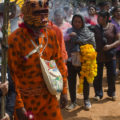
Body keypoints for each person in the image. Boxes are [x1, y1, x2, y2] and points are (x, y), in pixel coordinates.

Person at [8, 0, 68, 120]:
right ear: (27, 13)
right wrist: (18, 105)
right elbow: (12, 76)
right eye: (38, 13)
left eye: (45, 12)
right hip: (26, 102)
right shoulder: (14, 40)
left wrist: (64, 91)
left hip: (48, 98)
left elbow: (59, 63)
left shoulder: (50, 35)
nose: (43, 17)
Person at [64, 14, 95, 110]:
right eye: (75, 21)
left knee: (85, 82)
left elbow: (94, 46)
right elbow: (63, 42)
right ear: (72, 22)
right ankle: (73, 101)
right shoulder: (69, 31)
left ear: (82, 22)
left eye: (79, 21)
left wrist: (82, 43)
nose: (77, 23)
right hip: (71, 61)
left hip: (84, 62)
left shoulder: (88, 33)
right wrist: (69, 36)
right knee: (71, 82)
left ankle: (86, 100)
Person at [91, 11, 120, 101]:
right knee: (97, 76)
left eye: (100, 17)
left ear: (106, 18)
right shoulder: (95, 28)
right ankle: (98, 94)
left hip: (111, 55)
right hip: (98, 56)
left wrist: (110, 46)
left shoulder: (113, 27)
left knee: (112, 75)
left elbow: (118, 40)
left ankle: (112, 93)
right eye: (98, 17)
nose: (98, 19)